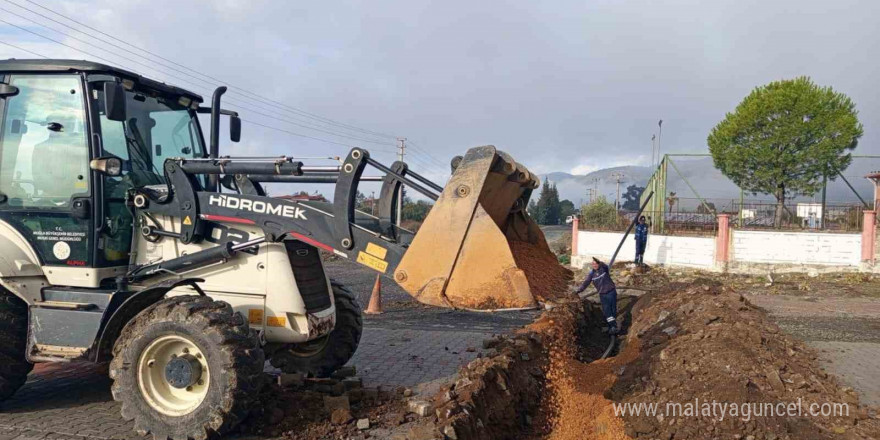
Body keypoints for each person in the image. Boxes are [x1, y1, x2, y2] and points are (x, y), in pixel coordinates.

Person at [573, 257, 619, 334]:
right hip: (603, 295)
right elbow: (586, 283)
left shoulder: (604, 269)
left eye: (596, 263)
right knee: (607, 311)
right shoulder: (592, 274)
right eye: (593, 264)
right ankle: (613, 326)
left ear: (599, 264)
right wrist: (578, 290)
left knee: (613, 309)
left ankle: (612, 325)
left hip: (611, 292)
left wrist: (599, 262)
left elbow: (604, 265)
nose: (594, 265)